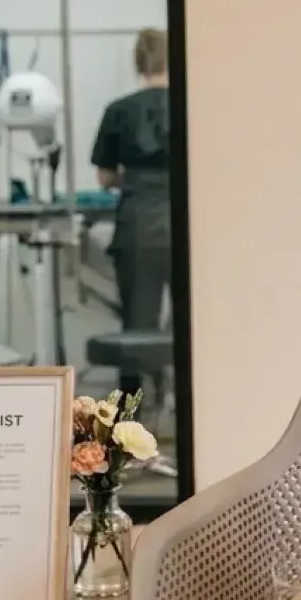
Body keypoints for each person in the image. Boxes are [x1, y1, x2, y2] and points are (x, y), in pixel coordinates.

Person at [90, 28, 173, 394]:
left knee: (136, 329)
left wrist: (133, 179)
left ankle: (128, 426)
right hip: (188, 228)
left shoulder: (119, 110)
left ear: (138, 62)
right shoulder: (197, 104)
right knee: (200, 325)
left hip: (138, 224)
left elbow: (105, 177)